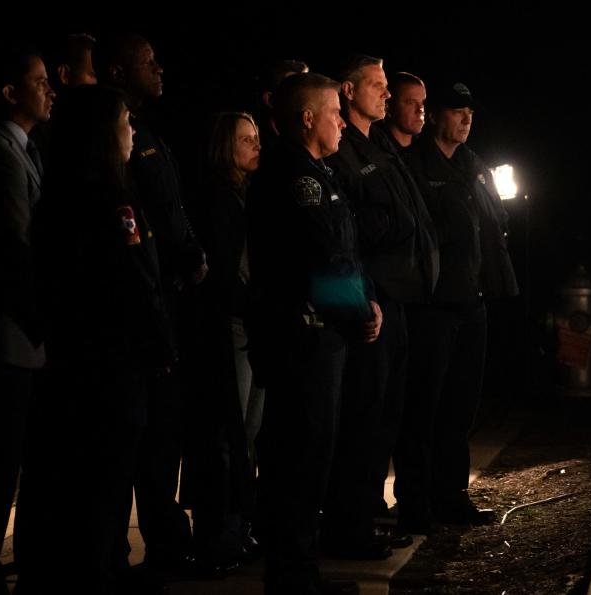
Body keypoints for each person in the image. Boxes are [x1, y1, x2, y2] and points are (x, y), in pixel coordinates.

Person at [17, 84, 174, 594]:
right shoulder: (104, 199)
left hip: (82, 365)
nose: (133, 132)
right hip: (108, 367)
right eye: (125, 121)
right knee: (99, 487)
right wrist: (158, 344)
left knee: (89, 489)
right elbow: (131, 281)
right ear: (102, 133)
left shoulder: (65, 196)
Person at [246, 71, 380, 595]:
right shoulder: (292, 175)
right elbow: (319, 257)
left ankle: (301, 570)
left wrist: (365, 297)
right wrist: (359, 314)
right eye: (332, 113)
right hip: (302, 339)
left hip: (321, 336)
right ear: (307, 120)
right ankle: (293, 576)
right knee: (298, 461)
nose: (342, 123)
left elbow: (345, 250)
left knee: (310, 458)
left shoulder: (314, 171)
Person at [98, 32, 211, 582]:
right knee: (131, 442)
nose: (160, 69)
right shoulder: (107, 147)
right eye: (147, 62)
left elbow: (170, 210)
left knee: (164, 437)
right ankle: (115, 559)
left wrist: (191, 252)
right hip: (139, 313)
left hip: (165, 301)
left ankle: (166, 544)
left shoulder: (150, 137)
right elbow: (138, 231)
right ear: (118, 73)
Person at [323, 56, 437, 559]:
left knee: (386, 414)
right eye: (378, 86)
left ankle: (368, 513)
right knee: (362, 417)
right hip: (368, 297)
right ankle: (350, 524)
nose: (386, 95)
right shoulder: (341, 149)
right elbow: (348, 227)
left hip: (396, 298)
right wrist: (398, 225)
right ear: (348, 91)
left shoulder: (379, 144)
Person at [395, 81, 517, 534]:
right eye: (457, 111)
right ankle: (415, 502)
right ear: (437, 116)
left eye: (471, 112)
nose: (466, 119)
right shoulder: (413, 164)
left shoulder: (474, 165)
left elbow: (496, 224)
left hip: (472, 301)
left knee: (461, 407)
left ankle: (451, 495)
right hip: (432, 304)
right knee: (424, 406)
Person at [184, 111, 262, 569]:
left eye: (256, 137)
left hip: (249, 322)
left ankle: (238, 526)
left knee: (247, 433)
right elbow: (225, 269)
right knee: (227, 434)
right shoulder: (219, 198)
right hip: (233, 324)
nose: (256, 145)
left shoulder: (245, 195)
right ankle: (219, 532)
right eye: (245, 139)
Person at [0, 46, 52, 595]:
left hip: (24, 333)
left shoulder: (24, 149)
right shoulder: (1, 151)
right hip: (10, 334)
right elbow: (16, 245)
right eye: (38, 81)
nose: (49, 90)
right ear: (11, 93)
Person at [380, 71, 427, 150]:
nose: (420, 110)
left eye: (422, 102)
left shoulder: (427, 152)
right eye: (411, 102)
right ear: (387, 107)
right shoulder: (376, 149)